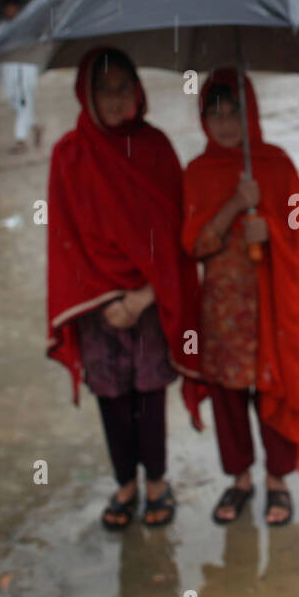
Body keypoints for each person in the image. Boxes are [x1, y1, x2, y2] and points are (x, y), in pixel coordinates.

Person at [45, 47, 203, 529]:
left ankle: (156, 481)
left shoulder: (154, 147)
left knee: (150, 392)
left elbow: (176, 231)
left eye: (121, 89)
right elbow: (64, 238)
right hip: (97, 305)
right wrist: (108, 297)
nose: (113, 101)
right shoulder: (68, 154)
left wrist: (145, 295)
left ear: (137, 91)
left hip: (149, 302)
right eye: (102, 90)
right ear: (85, 94)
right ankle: (125, 484)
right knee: (111, 395)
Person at [181, 70, 299, 526]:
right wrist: (231, 209)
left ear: (250, 113)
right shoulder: (198, 173)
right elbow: (193, 245)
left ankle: (276, 480)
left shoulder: (277, 165)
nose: (225, 124)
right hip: (223, 311)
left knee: (270, 384)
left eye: (233, 113)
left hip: (271, 308)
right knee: (228, 393)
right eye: (214, 114)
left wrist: (273, 230)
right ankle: (240, 477)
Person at [0, 0, 42, 152]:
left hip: (27, 69)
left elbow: (37, 46)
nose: (10, 10)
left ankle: (20, 140)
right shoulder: (1, 28)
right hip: (9, 72)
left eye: (13, 7)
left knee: (25, 103)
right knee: (15, 103)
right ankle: (35, 126)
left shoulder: (29, 24)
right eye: (8, 8)